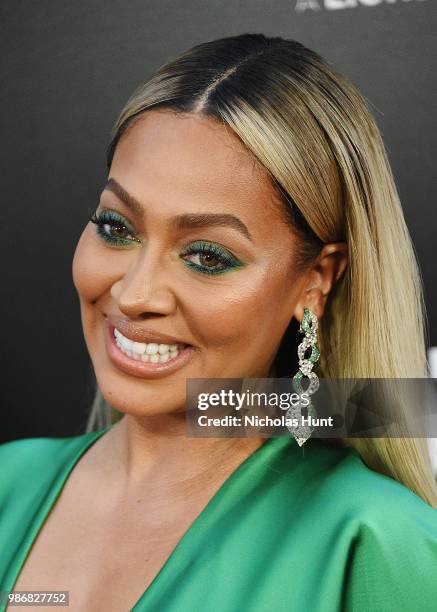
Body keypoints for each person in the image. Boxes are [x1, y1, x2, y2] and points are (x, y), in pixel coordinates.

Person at [1, 33, 436, 612]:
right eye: (116, 227)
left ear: (316, 281)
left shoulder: (372, 543)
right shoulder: (8, 483)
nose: (134, 295)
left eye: (208, 256)